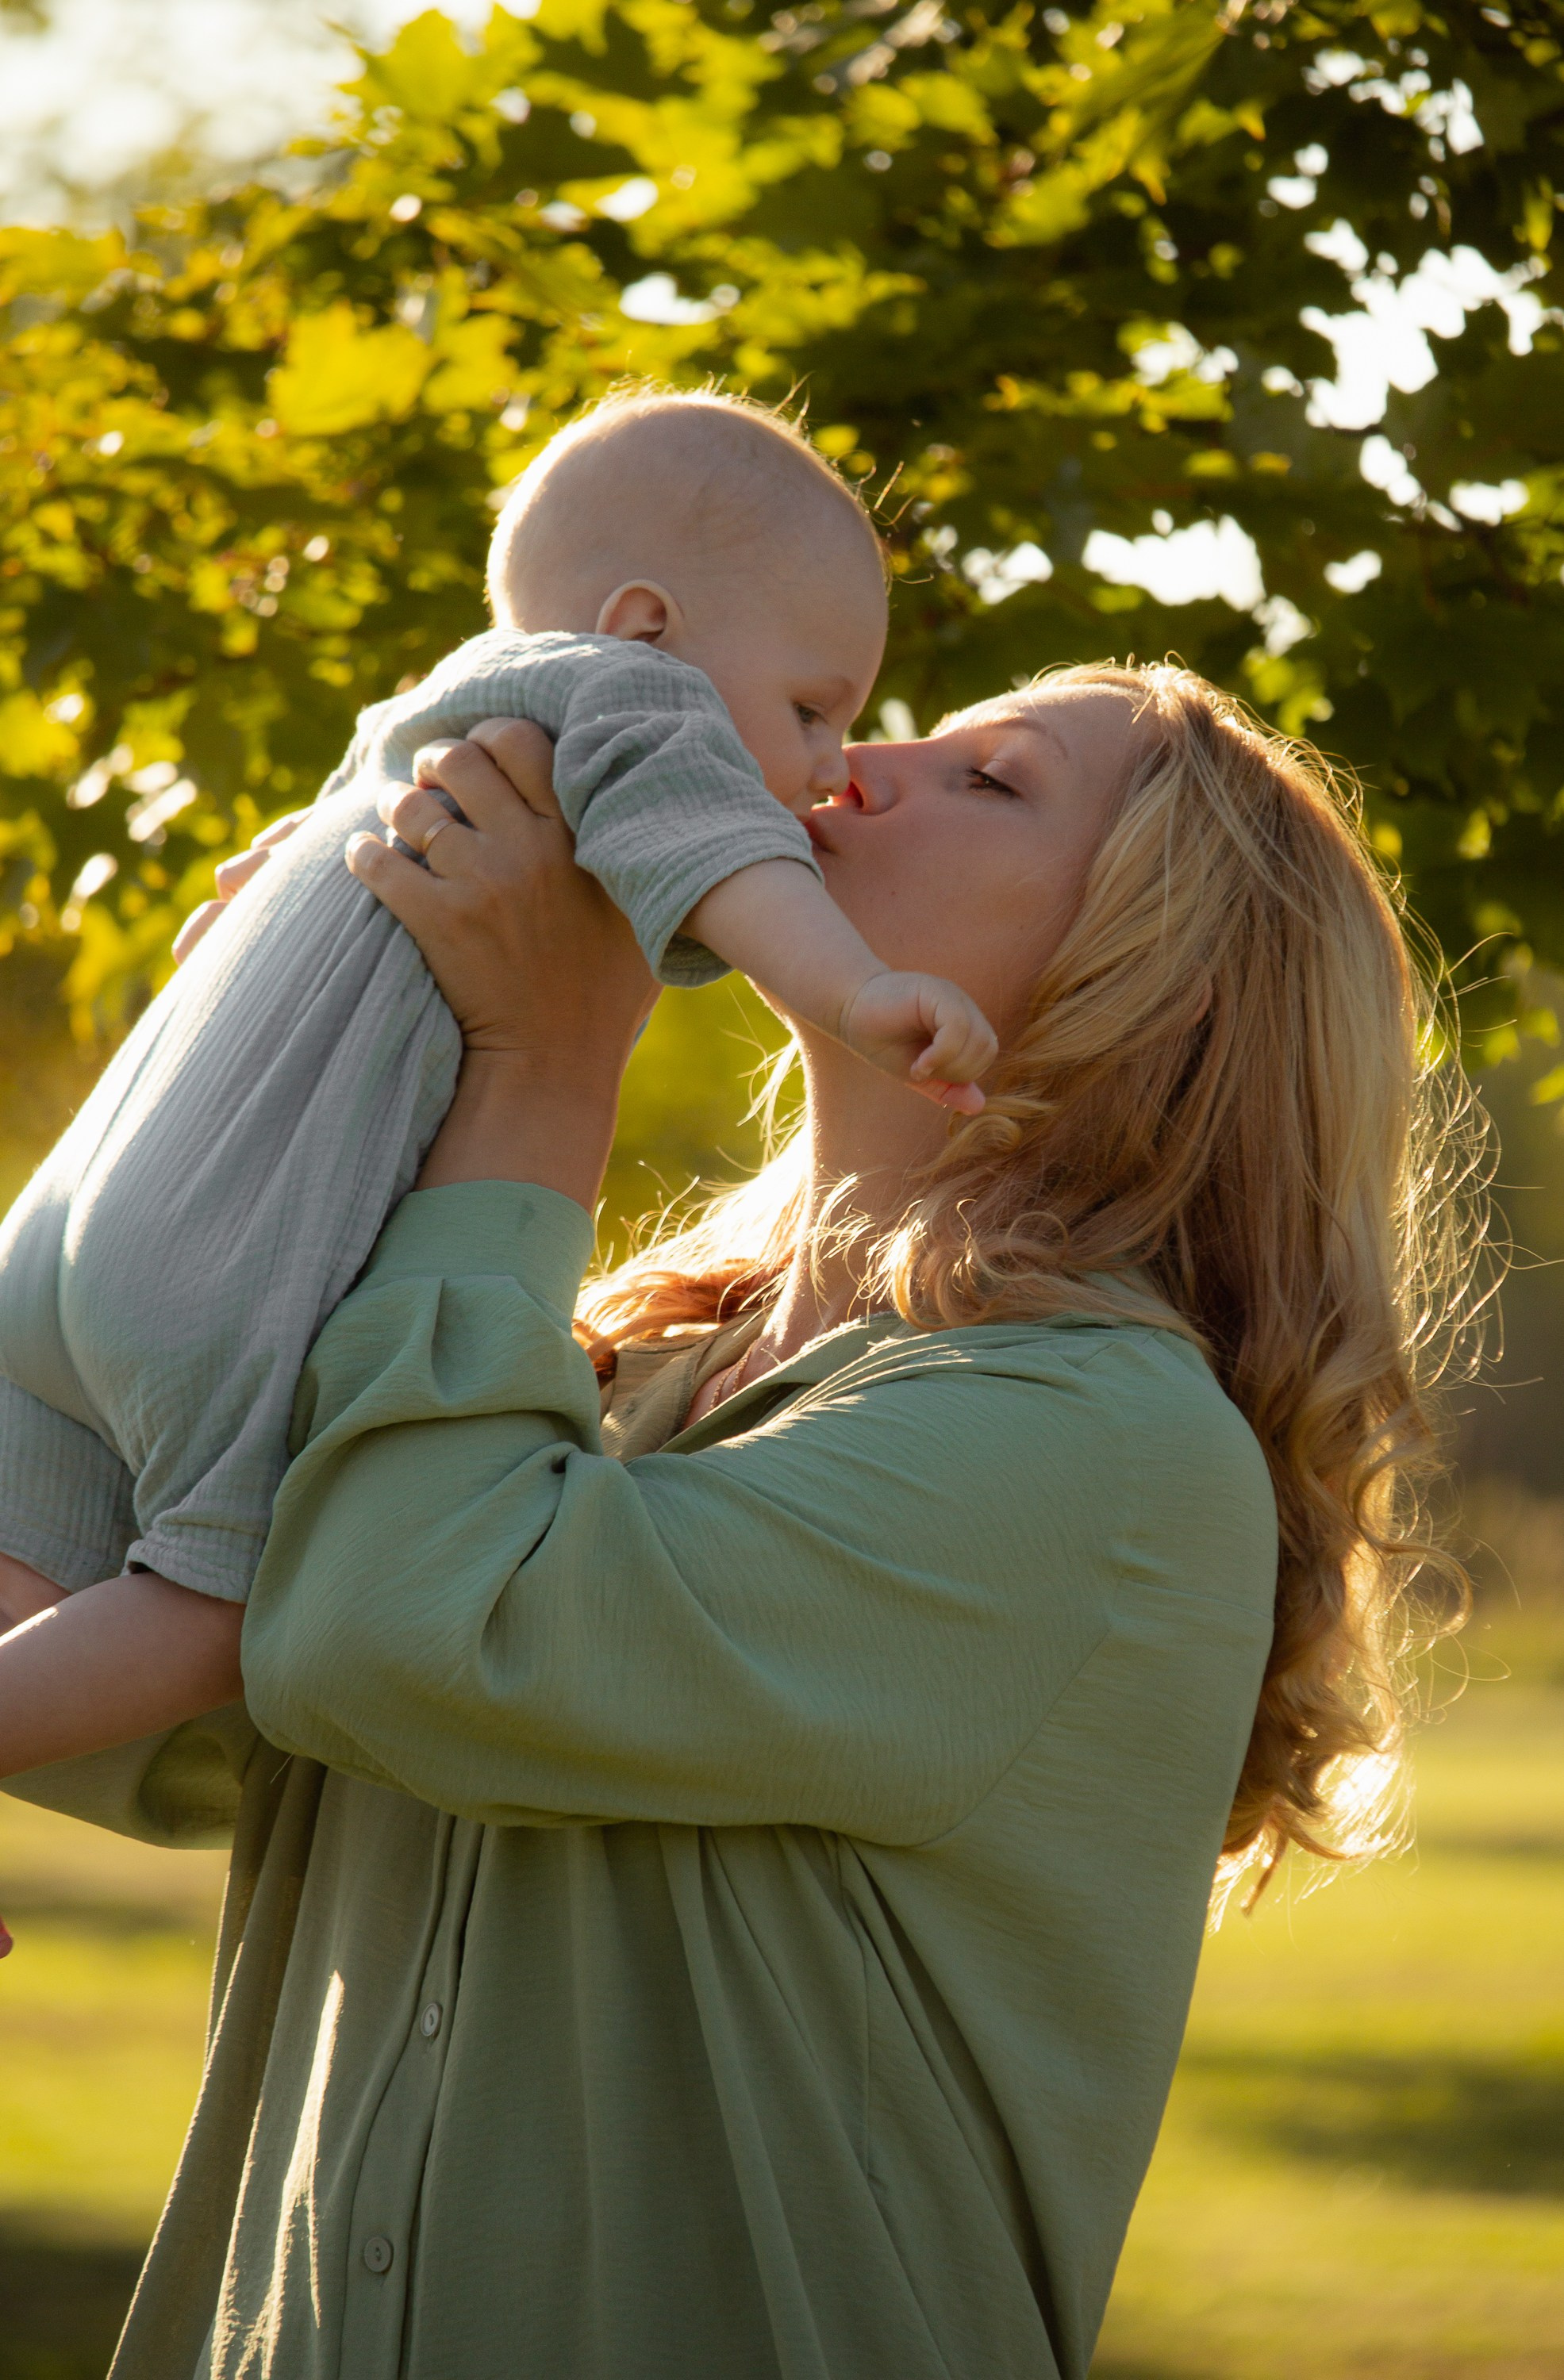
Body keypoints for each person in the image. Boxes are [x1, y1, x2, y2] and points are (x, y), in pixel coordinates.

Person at [3, 661, 1474, 2380]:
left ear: (1160, 985)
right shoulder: (600, 1367)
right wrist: (267, 1040)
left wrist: (542, 1057)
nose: (857, 760)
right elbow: (161, 1659)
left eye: (989, 780)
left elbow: (393, 1634)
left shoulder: (1095, 1448)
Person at [0, 387, 995, 1777]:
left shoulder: (426, 712)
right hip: (216, 1267)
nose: (829, 770)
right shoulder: (635, 694)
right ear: (647, 624)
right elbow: (727, 863)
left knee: (31, 1568)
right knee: (214, 1600)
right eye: (815, 708)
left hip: (61, 1233)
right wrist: (854, 986)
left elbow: (286, 863)